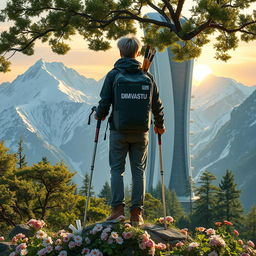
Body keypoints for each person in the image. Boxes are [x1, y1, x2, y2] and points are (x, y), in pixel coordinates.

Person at [95, 36, 165, 226]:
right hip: (141, 132)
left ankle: (118, 210)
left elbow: (104, 102)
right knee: (138, 171)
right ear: (137, 53)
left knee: (117, 170)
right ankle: (136, 213)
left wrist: (99, 115)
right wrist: (160, 124)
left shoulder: (113, 75)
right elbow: (157, 105)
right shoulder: (147, 76)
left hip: (118, 130)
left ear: (120, 52)